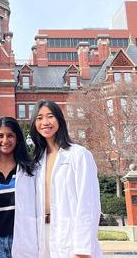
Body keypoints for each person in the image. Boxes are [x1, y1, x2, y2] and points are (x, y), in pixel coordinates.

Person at [30, 99, 103, 258]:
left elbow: (88, 204)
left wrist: (82, 250)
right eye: (39, 118)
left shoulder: (79, 155)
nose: (45, 122)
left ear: (59, 120)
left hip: (70, 236)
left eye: (50, 116)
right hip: (43, 235)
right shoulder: (37, 161)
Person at [0, 117, 38, 258]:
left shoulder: (30, 169)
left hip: (21, 240)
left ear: (18, 139)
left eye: (10, 136)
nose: (5, 141)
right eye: (0, 136)